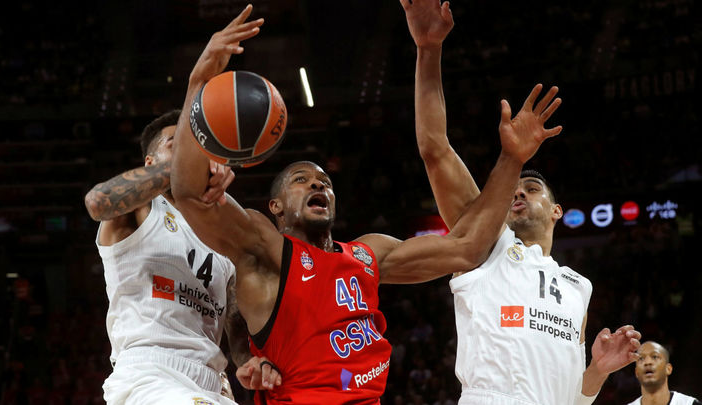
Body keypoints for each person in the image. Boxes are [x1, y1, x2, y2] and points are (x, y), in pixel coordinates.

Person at [170, 5, 563, 405]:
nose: (317, 184)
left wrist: (511, 158)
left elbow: (467, 248)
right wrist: (198, 82)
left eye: (325, 182)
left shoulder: (368, 254)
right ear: (276, 207)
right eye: (301, 180)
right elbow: (187, 193)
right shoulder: (264, 248)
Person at [399, 0, 641, 404]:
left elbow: (572, 399)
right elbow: (435, 149)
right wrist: (428, 50)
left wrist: (597, 371)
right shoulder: (484, 242)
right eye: (516, 187)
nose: (518, 192)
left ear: (557, 211)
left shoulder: (579, 287)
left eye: (531, 187)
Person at [84, 107, 278, 403]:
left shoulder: (223, 227)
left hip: (212, 380)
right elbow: (99, 201)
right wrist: (183, 167)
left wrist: (248, 360)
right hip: (150, 373)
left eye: (199, 148)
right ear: (150, 163)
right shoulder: (142, 209)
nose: (192, 153)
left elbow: (232, 321)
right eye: (178, 145)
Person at [627, 341, 700, 405]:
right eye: (641, 358)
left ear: (668, 369)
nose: (647, 362)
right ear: (636, 372)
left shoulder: (689, 403)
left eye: (654, 357)